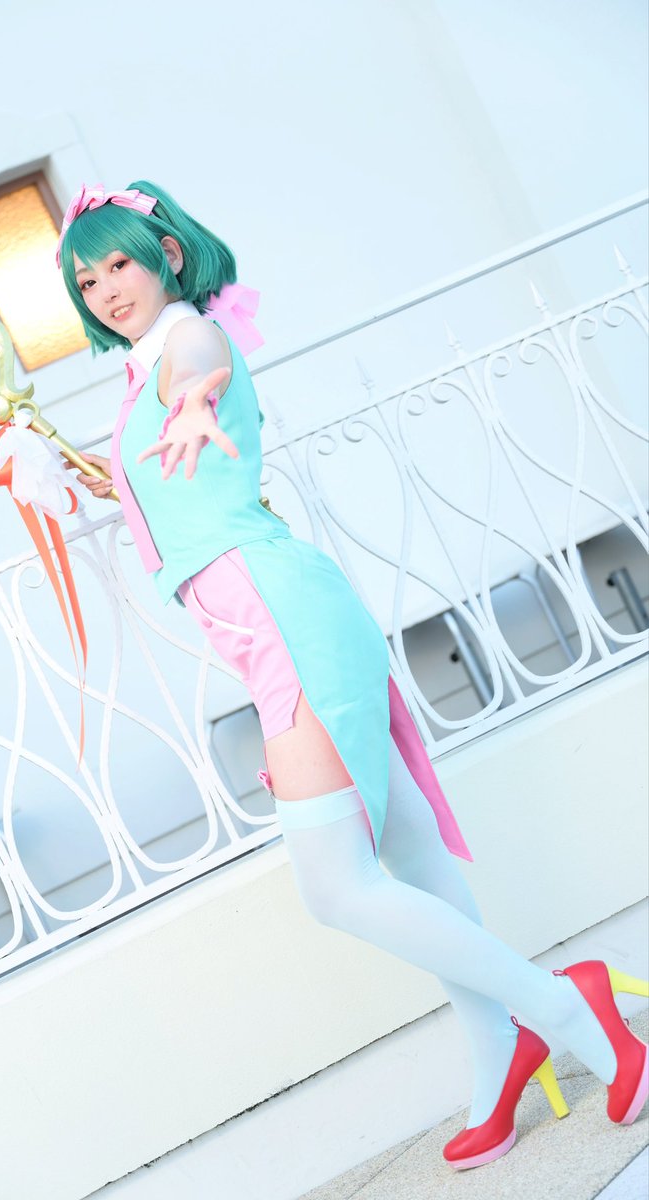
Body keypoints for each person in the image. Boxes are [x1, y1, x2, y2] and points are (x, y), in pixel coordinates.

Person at [57, 181, 648, 1170]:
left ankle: (563, 1004)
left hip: (281, 618)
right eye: (86, 280)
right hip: (275, 614)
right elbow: (161, 475)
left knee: (336, 885)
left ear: (165, 253)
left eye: (119, 262)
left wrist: (195, 395)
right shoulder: (136, 375)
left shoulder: (187, 339)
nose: (107, 288)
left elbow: (200, 366)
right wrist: (49, 467)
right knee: (409, 851)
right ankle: (499, 1045)